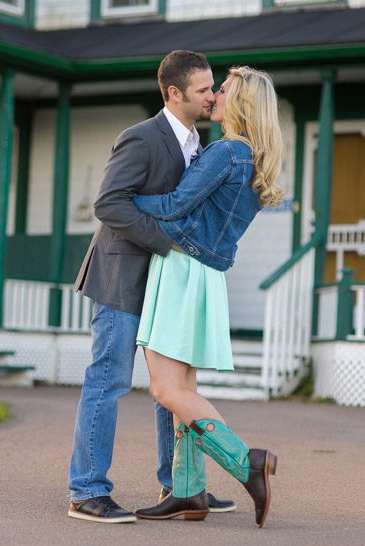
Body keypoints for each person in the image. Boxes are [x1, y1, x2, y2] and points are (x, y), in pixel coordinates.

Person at [67, 50, 237, 524]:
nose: (212, 95)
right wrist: (165, 243)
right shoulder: (140, 138)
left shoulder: (202, 145)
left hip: (169, 284)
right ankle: (87, 491)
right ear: (174, 93)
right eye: (204, 89)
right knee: (109, 379)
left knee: (172, 388)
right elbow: (109, 204)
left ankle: (179, 485)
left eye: (212, 88)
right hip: (122, 277)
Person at [131, 66, 284, 528]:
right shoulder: (253, 157)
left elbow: (176, 205)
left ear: (240, 103)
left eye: (224, 90)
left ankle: (246, 462)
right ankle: (188, 492)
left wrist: (125, 201)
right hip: (205, 276)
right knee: (183, 390)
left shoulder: (226, 152)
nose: (214, 95)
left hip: (181, 269)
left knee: (165, 388)